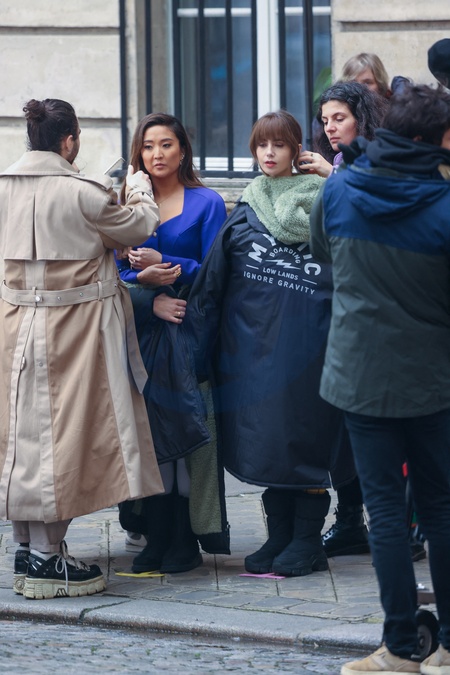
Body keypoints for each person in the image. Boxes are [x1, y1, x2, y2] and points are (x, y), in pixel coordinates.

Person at [310, 84, 450, 674]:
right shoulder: (444, 203)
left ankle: (399, 649)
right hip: (432, 378)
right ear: (430, 139)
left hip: (360, 373)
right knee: (440, 510)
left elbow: (324, 256)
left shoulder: (340, 188)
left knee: (387, 514)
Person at [0, 98, 164, 599]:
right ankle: (47, 557)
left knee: (22, 440)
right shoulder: (84, 192)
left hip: (13, 327)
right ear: (69, 140)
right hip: (73, 331)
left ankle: (28, 550)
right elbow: (139, 225)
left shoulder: (3, 185)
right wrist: (139, 187)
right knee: (62, 441)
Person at [186, 110, 356, 578]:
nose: (269, 153)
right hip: (255, 353)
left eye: (279, 144)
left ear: (297, 150)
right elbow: (214, 280)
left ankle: (307, 542)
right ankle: (280, 536)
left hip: (313, 351)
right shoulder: (247, 206)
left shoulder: (328, 202)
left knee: (305, 442)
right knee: (267, 442)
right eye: (262, 144)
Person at [116, 112, 228, 574]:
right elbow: (112, 273)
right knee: (149, 432)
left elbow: (218, 270)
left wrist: (167, 262)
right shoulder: (126, 205)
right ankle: (156, 533)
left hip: (190, 331)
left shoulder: (207, 202)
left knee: (189, 432)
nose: (157, 154)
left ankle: (186, 538)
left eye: (166, 144)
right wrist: (147, 292)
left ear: (182, 150)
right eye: (148, 146)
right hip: (142, 333)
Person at [300, 81, 388, 558]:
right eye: (325, 120)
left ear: (362, 118)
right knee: (345, 422)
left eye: (339, 118)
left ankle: (396, 524)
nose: (330, 128)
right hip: (343, 305)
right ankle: (351, 518)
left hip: (378, 311)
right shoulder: (335, 165)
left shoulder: (376, 163)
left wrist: (329, 179)